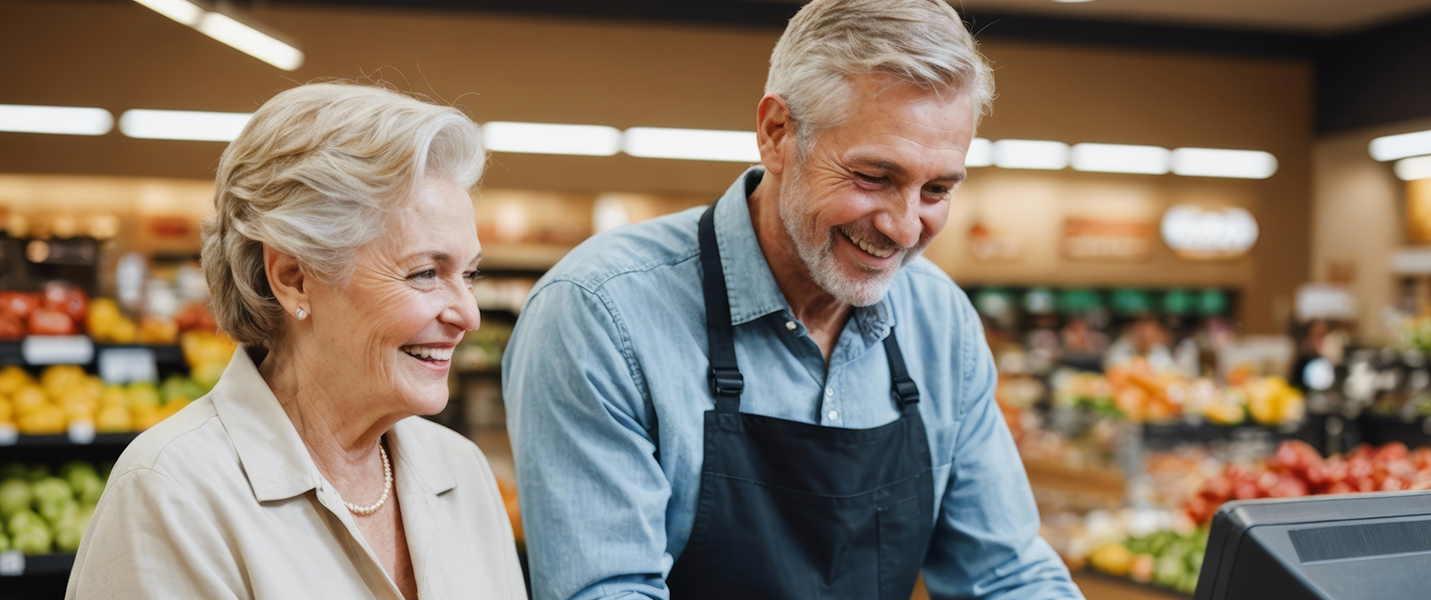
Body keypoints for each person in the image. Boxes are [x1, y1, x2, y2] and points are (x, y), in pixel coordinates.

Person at [504, 0, 1085, 597]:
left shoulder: (939, 320)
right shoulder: (602, 313)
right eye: (874, 177)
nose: (906, 229)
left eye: (936, 189)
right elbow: (606, 590)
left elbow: (1006, 573)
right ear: (777, 134)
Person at [66, 82, 527, 600]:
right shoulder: (173, 494)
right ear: (294, 279)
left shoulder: (462, 473)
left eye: (470, 274)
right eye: (424, 273)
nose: (468, 314)